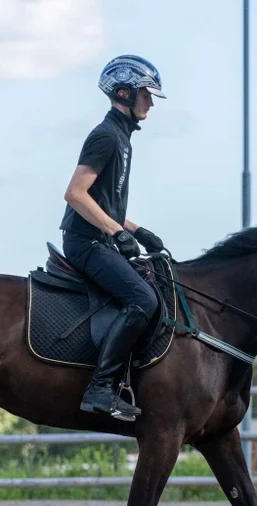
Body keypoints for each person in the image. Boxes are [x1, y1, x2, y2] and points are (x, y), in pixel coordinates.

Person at [59, 54, 167, 422]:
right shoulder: (106, 136)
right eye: (146, 94)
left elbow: (104, 202)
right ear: (124, 92)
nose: (150, 103)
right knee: (143, 299)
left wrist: (136, 230)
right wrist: (115, 231)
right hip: (85, 243)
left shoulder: (122, 137)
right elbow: (75, 194)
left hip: (101, 239)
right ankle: (101, 387)